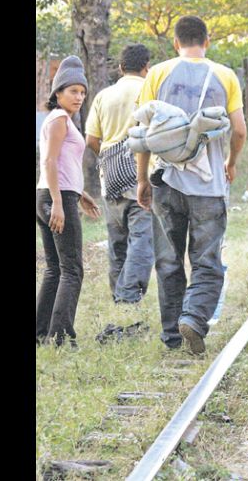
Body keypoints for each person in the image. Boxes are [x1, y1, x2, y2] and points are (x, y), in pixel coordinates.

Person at [135, 15, 247, 354]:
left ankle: (171, 335)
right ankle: (195, 318)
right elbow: (239, 130)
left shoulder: (157, 73)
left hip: (166, 182)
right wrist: (231, 162)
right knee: (207, 260)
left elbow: (143, 134)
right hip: (208, 187)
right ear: (207, 40)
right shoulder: (225, 75)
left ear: (175, 42)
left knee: (168, 260)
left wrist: (142, 179)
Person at [36, 55, 101, 346]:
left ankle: (40, 333)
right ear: (58, 93)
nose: (79, 97)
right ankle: (61, 336)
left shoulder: (61, 119)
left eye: (82, 92)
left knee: (54, 268)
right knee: (72, 269)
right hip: (54, 197)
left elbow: (63, 165)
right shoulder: (60, 119)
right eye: (73, 91)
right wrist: (60, 203)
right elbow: (49, 161)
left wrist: (81, 195)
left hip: (52, 194)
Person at [85, 44, 155, 304]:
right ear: (146, 66)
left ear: (120, 68)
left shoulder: (104, 95)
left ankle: (118, 294)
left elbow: (92, 139)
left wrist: (107, 156)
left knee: (117, 239)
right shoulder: (149, 91)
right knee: (142, 238)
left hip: (109, 173)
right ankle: (128, 296)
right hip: (140, 170)